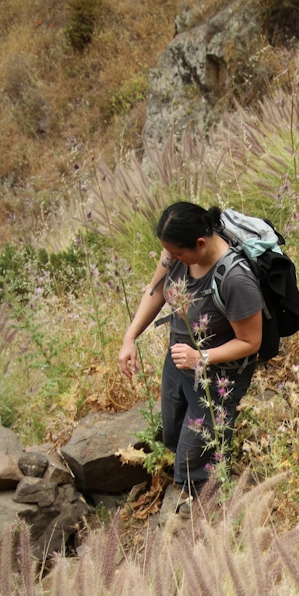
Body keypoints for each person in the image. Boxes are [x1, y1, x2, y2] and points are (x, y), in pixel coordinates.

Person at [118, 202, 263, 511]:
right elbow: (156, 291)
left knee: (193, 456)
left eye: (177, 254)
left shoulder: (235, 279)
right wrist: (130, 337)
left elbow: (251, 342)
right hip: (181, 358)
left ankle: (206, 509)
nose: (170, 260)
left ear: (200, 243)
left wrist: (201, 356)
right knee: (172, 430)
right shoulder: (175, 253)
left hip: (218, 375)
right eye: (168, 253)